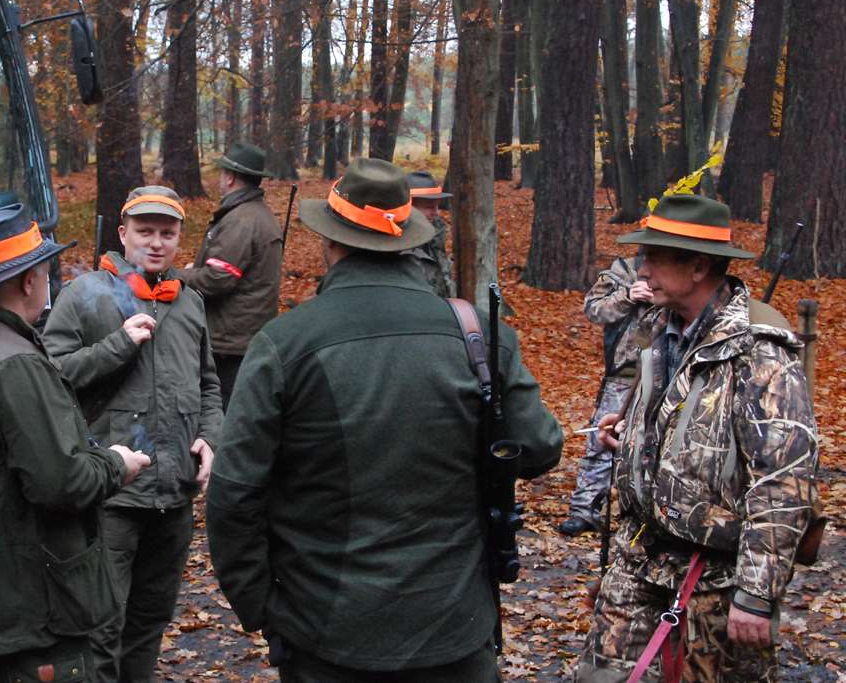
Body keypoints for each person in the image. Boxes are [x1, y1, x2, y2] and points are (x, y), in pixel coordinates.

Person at [206, 158, 563, 682]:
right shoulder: (480, 338)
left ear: (330, 241)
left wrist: (262, 608)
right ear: (409, 241)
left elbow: (233, 496)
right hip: (455, 627)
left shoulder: (284, 345)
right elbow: (539, 447)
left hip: (323, 631)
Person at [0, 204, 151, 683]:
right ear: (27, 281)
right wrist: (116, 464)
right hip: (22, 612)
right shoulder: (13, 363)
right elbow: (61, 483)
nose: (49, 280)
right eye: (45, 270)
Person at [576, 194, 820, 681]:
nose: (643, 270)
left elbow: (782, 481)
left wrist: (756, 595)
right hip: (641, 553)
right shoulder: (659, 328)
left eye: (655, 258)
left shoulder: (759, 352)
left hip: (718, 575)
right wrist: (631, 438)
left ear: (698, 267)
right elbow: (682, 421)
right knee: (601, 675)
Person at [42, 186, 223, 683]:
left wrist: (211, 436)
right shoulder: (85, 295)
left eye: (168, 233)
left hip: (175, 493)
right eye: (145, 232)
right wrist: (118, 345)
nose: (157, 243)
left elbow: (209, 383)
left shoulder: (190, 302)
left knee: (150, 621)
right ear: (123, 234)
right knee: (102, 628)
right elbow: (48, 378)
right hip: (112, 497)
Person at [175, 142, 282, 405]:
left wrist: (178, 275)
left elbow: (218, 279)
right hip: (242, 336)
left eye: (222, 173)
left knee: (222, 409)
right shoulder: (253, 214)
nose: (220, 179)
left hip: (231, 342)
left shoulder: (241, 221)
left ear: (231, 177)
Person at [559, 254, 655, 537]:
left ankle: (647, 513)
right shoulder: (623, 271)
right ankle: (584, 510)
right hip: (623, 375)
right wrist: (628, 296)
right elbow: (594, 309)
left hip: (668, 374)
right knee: (601, 439)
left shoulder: (682, 276)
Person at [403, 170, 454, 298]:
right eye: (429, 207)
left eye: (437, 207)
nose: (436, 213)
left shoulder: (436, 232)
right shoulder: (393, 245)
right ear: (408, 207)